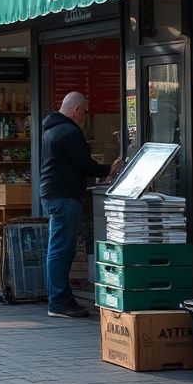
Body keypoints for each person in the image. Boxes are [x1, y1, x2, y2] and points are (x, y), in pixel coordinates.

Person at [40, 91, 122, 318]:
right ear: (76, 110)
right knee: (60, 251)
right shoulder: (69, 131)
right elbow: (85, 165)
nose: (84, 117)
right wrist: (110, 169)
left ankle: (60, 298)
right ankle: (58, 302)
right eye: (84, 112)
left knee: (57, 250)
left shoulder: (52, 129)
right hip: (64, 196)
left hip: (53, 195)